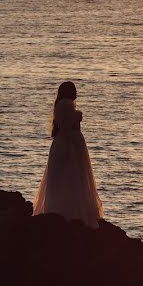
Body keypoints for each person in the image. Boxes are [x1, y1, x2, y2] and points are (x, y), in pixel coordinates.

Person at [33, 81, 103, 228]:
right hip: (70, 145)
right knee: (73, 177)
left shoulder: (60, 104)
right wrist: (70, 147)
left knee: (61, 179)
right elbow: (67, 128)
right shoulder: (67, 104)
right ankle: (73, 212)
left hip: (64, 143)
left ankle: (59, 210)